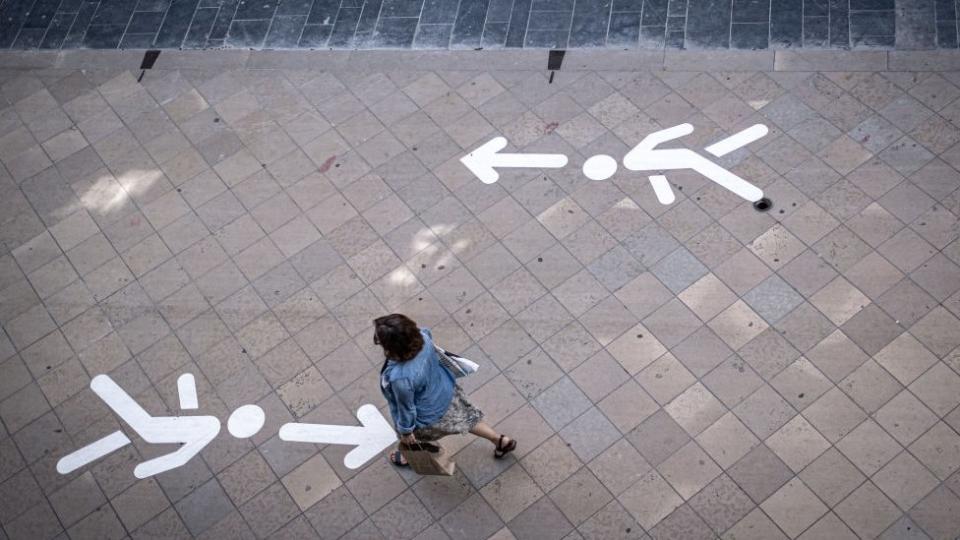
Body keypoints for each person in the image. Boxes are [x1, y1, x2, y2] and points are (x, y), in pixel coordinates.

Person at [375, 313, 516, 467]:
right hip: (446, 392)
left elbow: (407, 409)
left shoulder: (400, 378)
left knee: (415, 437)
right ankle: (500, 440)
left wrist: (406, 432)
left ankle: (408, 455)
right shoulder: (423, 337)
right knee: (467, 419)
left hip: (428, 413)